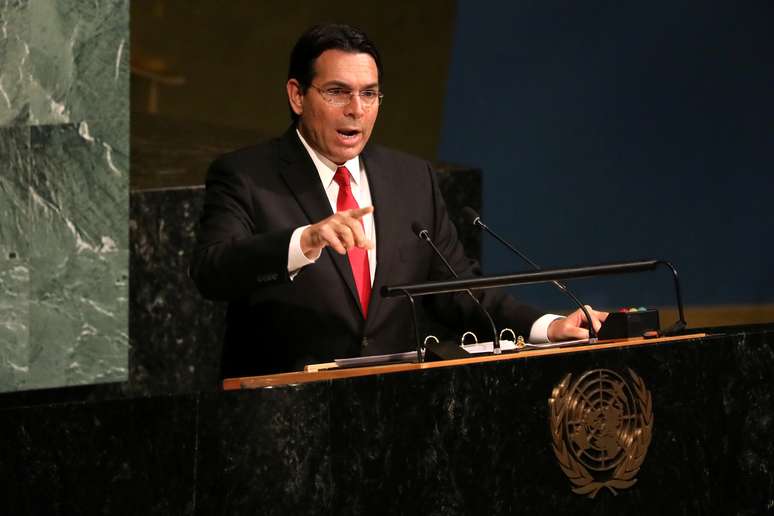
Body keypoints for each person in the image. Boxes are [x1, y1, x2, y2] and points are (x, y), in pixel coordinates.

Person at [191, 23, 607, 378]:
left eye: (369, 94)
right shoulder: (246, 176)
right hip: (284, 420)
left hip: (389, 418)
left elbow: (457, 290)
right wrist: (304, 242)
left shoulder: (410, 178)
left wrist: (547, 326)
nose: (356, 110)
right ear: (297, 95)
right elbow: (212, 270)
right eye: (337, 92)